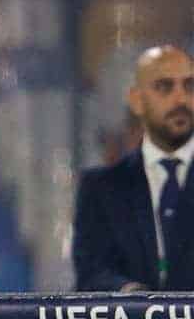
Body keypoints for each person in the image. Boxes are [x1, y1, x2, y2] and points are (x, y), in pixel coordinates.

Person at [74, 45, 194, 291]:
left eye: (189, 86)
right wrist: (131, 298)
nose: (180, 98)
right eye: (165, 87)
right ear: (137, 100)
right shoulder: (101, 189)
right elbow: (92, 273)